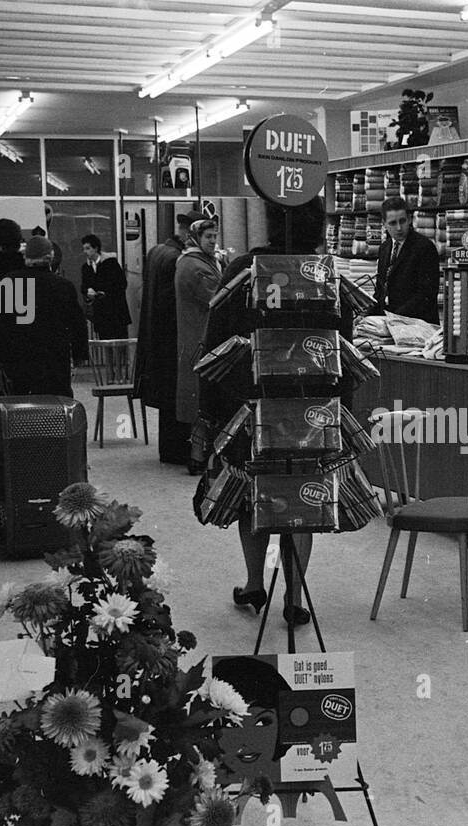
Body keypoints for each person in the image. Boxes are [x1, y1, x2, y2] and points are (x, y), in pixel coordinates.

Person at [196, 197, 328, 627]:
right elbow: (341, 347)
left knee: (253, 496)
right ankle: (294, 597)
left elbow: (214, 344)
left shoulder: (241, 270)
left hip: (247, 405)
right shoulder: (323, 273)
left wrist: (209, 413)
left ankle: (255, 584)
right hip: (310, 406)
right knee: (303, 497)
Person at [0, 235, 88, 398]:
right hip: (54, 362)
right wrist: (79, 354)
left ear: (26, 257)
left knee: (20, 408)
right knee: (55, 407)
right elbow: (77, 323)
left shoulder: (9, 282)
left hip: (16, 361)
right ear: (51, 258)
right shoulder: (63, 286)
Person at [135, 211, 201, 465]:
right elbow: (174, 302)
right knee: (178, 398)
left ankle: (168, 450)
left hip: (155, 337)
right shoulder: (178, 260)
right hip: (173, 338)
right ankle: (178, 452)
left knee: (167, 402)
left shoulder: (157, 251)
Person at [175, 216, 223, 472]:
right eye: (209, 237)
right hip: (201, 339)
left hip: (193, 338)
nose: (213, 242)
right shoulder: (196, 267)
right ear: (196, 238)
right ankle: (197, 455)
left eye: (215, 236)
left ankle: (197, 455)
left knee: (199, 401)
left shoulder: (192, 261)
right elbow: (217, 298)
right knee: (202, 401)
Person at [373, 195, 440, 323]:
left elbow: (426, 295)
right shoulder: (384, 248)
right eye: (393, 223)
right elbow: (380, 289)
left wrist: (394, 318)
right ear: (384, 224)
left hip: (419, 325)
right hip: (391, 323)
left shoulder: (424, 247)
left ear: (409, 219)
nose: (399, 228)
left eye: (402, 221)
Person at [79, 234, 130, 339]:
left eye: (88, 248)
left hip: (116, 311)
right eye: (84, 249)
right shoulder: (86, 267)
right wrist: (87, 291)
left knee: (119, 342)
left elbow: (122, 284)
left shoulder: (111, 263)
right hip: (100, 313)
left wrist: (105, 293)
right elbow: (84, 286)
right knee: (105, 341)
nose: (85, 252)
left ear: (96, 248)